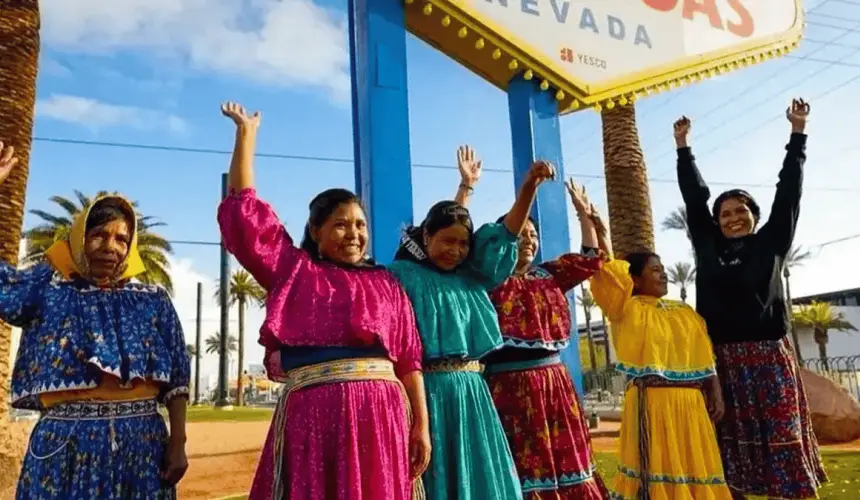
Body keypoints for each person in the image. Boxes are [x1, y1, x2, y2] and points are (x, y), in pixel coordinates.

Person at [216, 102, 430, 500]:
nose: (353, 234)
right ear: (315, 231)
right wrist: (247, 135)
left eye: (361, 225)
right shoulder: (294, 271)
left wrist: (422, 425)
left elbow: (409, 361)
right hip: (314, 419)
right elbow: (246, 217)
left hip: (380, 417)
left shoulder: (387, 284)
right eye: (340, 224)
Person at [0, 143, 190, 499]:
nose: (110, 246)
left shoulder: (153, 301)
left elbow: (177, 381)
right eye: (98, 235)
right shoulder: (47, 289)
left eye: (122, 238)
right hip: (63, 448)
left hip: (142, 449)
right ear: (79, 238)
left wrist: (178, 442)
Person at [673, 99, 826, 500]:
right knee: (728, 449)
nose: (733, 218)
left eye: (741, 211)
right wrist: (683, 148)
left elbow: (788, 192)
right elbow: (694, 199)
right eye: (724, 213)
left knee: (782, 441)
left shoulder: (771, 244)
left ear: (754, 217)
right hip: (722, 363)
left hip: (770, 359)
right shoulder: (707, 249)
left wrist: (798, 134)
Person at [389, 154, 555, 500]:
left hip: (472, 390)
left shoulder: (472, 276)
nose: (455, 250)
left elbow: (507, 233)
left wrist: (528, 189)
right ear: (425, 237)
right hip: (426, 392)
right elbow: (449, 220)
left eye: (463, 244)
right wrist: (464, 189)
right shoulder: (404, 275)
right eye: (446, 242)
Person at [457, 146, 607, 499]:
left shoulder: (550, 275)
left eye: (534, 236)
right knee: (518, 467)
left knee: (566, 459)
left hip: (555, 383)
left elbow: (591, 258)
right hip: (505, 388)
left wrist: (584, 215)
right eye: (521, 235)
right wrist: (467, 188)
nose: (529, 241)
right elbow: (458, 239)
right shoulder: (486, 279)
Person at [587, 208, 732, 500]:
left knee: (695, 471)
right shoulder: (626, 309)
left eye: (663, 267)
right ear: (636, 280)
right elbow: (613, 273)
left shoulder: (686, 312)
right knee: (653, 474)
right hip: (649, 402)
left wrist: (715, 391)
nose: (663, 273)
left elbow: (705, 357)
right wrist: (600, 232)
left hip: (691, 404)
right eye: (655, 269)